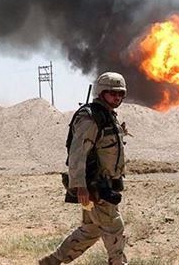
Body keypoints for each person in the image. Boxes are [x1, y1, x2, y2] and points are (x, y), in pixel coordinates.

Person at [39, 72, 128, 265]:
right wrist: (81, 187)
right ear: (101, 92)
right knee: (114, 228)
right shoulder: (91, 118)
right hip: (95, 188)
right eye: (112, 93)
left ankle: (52, 261)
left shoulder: (107, 116)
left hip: (105, 186)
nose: (117, 97)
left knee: (91, 230)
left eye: (121, 93)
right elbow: (77, 154)